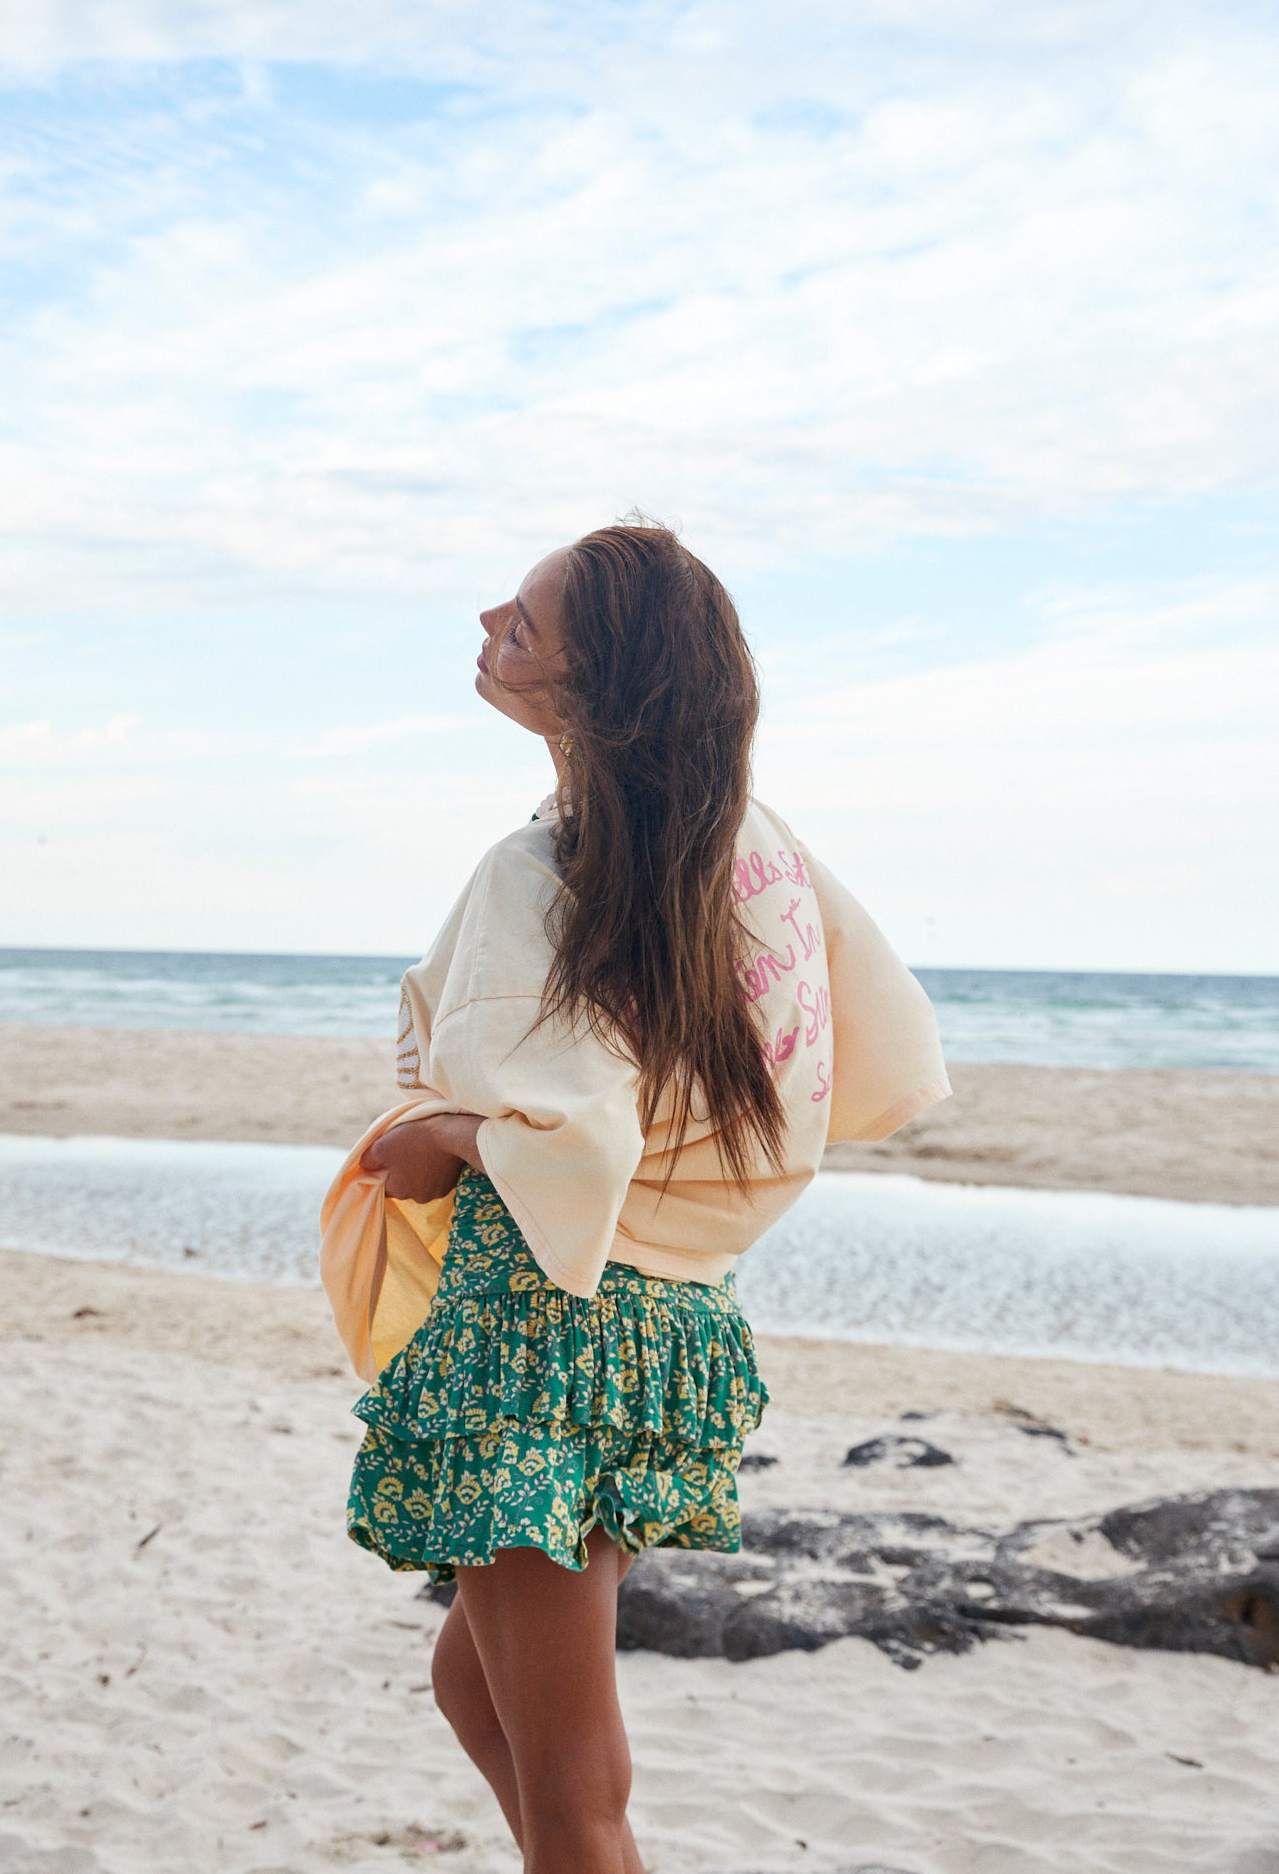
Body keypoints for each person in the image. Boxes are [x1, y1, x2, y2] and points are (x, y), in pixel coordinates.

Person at [319, 522, 950, 1874]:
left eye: (527, 621)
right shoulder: (751, 848)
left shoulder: (540, 869)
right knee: (478, 1692)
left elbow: (550, 1128)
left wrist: (430, 1132)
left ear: (602, 682)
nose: (489, 617)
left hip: (543, 1320)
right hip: (665, 1318)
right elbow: (864, 1044)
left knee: (571, 1790)